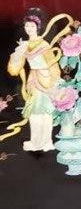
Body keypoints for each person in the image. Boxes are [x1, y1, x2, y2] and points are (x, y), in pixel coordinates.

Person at [4, 8, 73, 152]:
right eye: (27, 26)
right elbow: (14, 70)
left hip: (46, 79)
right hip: (34, 80)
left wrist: (54, 82)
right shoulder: (24, 45)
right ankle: (35, 141)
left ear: (38, 27)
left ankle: (47, 142)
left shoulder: (43, 45)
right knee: (34, 113)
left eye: (32, 26)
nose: (29, 28)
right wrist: (18, 54)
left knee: (45, 112)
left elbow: (53, 65)